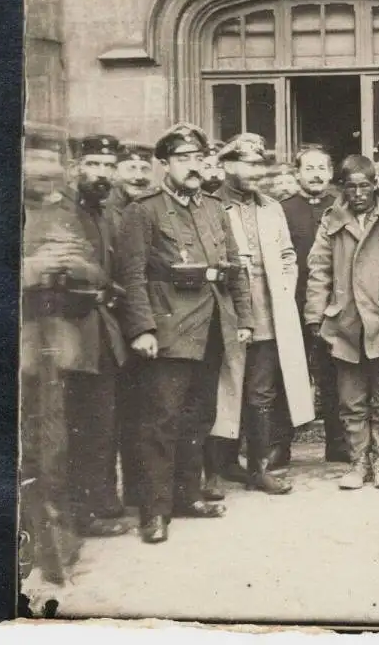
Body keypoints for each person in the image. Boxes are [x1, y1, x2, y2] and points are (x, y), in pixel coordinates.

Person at [115, 123, 252, 544]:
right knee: (160, 422)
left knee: (199, 416)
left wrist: (244, 318)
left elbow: (234, 268)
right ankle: (154, 513)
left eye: (197, 158)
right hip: (169, 331)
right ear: (164, 165)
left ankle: (186, 496)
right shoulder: (144, 210)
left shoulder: (214, 207)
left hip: (212, 328)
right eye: (182, 159)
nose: (193, 167)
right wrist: (142, 328)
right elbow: (132, 275)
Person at [304, 155, 379, 491]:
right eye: (351, 187)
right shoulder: (331, 221)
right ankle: (358, 460)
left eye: (365, 186)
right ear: (341, 188)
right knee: (351, 399)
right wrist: (316, 314)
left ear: (375, 185)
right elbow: (319, 270)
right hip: (345, 322)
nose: (358, 193)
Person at [21, 123, 108, 581]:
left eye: (52, 161)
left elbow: (93, 269)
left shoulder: (66, 211)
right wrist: (35, 267)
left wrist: (74, 265)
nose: (45, 169)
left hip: (57, 341)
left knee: (54, 440)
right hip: (9, 339)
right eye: (36, 159)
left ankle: (55, 534)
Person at [206, 134, 315, 498]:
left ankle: (259, 467)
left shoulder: (271, 207)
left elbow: (287, 254)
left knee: (261, 392)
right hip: (224, 311)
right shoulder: (209, 204)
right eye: (249, 164)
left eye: (260, 164)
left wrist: (282, 287)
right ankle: (216, 468)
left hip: (268, 311)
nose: (257, 171)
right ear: (228, 165)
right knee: (220, 390)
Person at [65, 134, 130, 538]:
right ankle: (81, 511)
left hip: (105, 333)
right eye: (94, 165)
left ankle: (102, 498)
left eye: (108, 166)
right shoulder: (60, 212)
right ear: (76, 167)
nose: (102, 173)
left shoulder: (109, 213)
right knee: (76, 425)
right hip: (70, 334)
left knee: (103, 420)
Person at [280, 145, 345, 462]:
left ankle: (339, 443)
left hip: (336, 306)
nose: (316, 174)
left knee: (335, 375)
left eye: (322, 168)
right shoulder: (282, 209)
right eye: (309, 168)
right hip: (293, 305)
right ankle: (280, 447)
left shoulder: (342, 206)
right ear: (297, 174)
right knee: (289, 373)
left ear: (331, 174)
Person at [104, 142, 156, 508]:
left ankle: (139, 490)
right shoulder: (103, 211)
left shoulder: (150, 208)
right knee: (108, 413)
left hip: (143, 317)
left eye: (143, 169)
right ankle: (105, 494)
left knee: (143, 409)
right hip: (106, 323)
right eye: (130, 168)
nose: (138, 175)